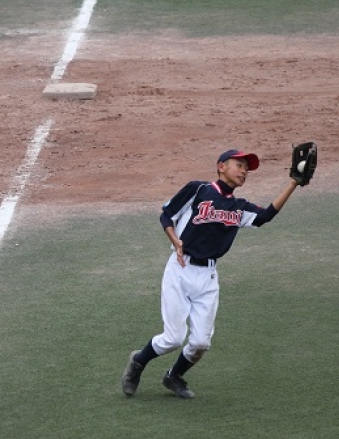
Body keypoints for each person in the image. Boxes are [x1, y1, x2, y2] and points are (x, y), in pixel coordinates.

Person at [121, 149, 302, 398]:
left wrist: (293, 183)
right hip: (180, 269)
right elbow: (166, 215)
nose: (243, 171)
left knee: (200, 344)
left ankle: (174, 376)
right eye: (239, 165)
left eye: (246, 168)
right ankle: (138, 362)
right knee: (173, 338)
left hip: (208, 277)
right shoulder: (198, 190)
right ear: (221, 166)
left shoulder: (239, 207)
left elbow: (265, 216)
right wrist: (175, 240)